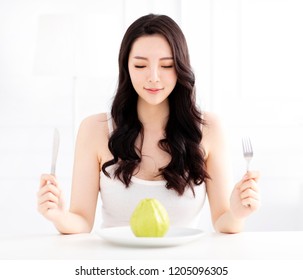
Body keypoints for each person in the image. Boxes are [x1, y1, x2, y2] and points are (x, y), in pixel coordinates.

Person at [37, 14, 260, 234]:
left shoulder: (209, 128)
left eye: (166, 65)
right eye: (141, 65)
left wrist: (238, 213)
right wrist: (58, 215)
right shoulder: (95, 129)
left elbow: (223, 221)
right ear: (126, 67)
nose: (153, 77)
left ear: (181, 68)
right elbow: (82, 221)